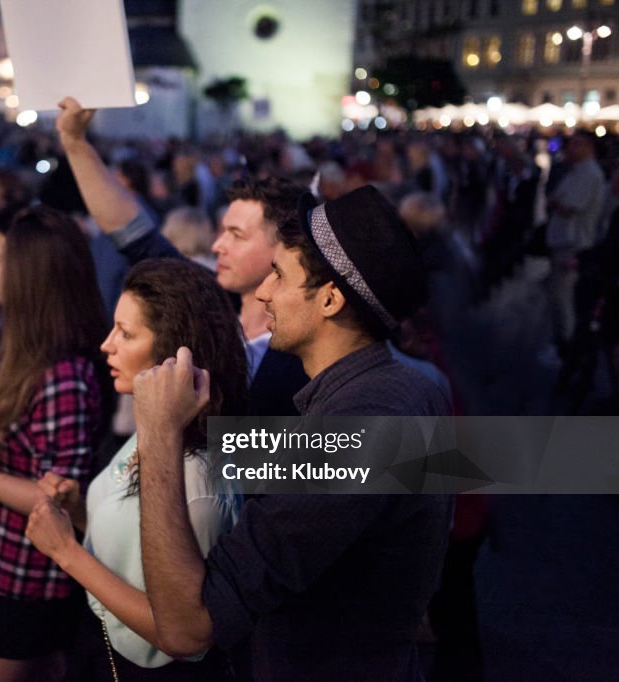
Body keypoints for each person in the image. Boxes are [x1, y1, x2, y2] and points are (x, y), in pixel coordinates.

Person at [134, 186, 454, 680]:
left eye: (279, 274)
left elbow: (186, 627)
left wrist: (158, 432)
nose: (263, 292)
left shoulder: (362, 421)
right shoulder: (397, 388)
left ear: (329, 299)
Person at [24, 258, 246, 680]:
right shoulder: (158, 425)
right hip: (100, 643)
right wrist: (80, 511)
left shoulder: (197, 482)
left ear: (174, 352)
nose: (107, 344)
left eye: (126, 334)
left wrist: (64, 550)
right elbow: (140, 549)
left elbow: (178, 633)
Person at [0, 206, 108, 682]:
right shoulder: (32, 355)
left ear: (33, 277)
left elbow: (59, 495)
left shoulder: (65, 375)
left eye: (4, 258)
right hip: (2, 562)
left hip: (28, 577)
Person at [55, 97, 307, 417]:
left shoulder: (309, 348)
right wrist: (74, 142)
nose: (218, 245)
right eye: (221, 230)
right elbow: (133, 234)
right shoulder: (211, 304)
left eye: (236, 235)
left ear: (283, 248)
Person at [545, 132, 606, 353]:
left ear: (585, 146)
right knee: (560, 296)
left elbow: (568, 207)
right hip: (566, 241)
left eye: (574, 145)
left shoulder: (589, 174)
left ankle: (568, 347)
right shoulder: (580, 171)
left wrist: (554, 202)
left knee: (564, 299)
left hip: (572, 244)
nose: (569, 149)